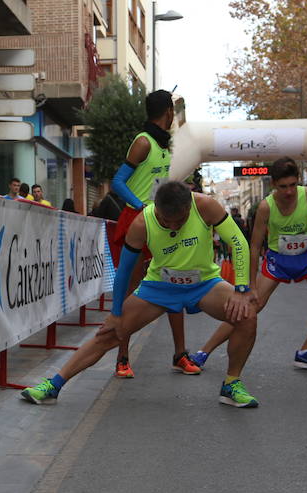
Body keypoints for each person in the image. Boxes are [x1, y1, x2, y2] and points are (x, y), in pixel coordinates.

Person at [20, 182, 260, 408]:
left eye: (181, 221)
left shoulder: (206, 205)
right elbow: (123, 271)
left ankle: (231, 383)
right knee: (108, 333)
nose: (174, 227)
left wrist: (241, 289)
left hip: (204, 283)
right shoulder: (141, 223)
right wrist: (115, 313)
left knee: (247, 315)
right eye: (168, 222)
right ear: (158, 211)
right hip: (160, 286)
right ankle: (53, 385)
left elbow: (238, 241)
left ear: (189, 207)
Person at [190, 157, 307, 372]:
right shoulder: (266, 207)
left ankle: (306, 351)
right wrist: (251, 285)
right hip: (278, 261)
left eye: (293, 185)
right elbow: (254, 247)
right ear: (274, 184)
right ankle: (203, 352)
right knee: (246, 309)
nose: (289, 191)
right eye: (283, 187)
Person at [107, 90, 199, 378]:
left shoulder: (163, 146)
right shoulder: (143, 142)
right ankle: (122, 357)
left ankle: (180, 355)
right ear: (168, 114)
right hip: (138, 220)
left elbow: (158, 184)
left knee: (174, 284)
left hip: (161, 221)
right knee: (130, 290)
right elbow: (117, 182)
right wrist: (141, 206)